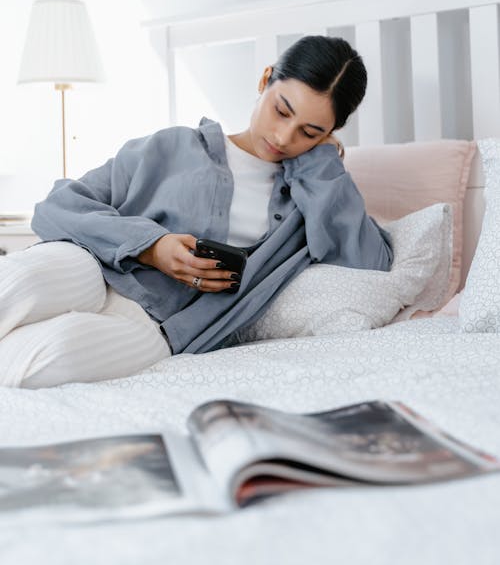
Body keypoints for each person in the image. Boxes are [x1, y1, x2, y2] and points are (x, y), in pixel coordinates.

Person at [0, 35, 393, 389]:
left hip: (158, 325)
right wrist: (151, 246)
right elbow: (58, 206)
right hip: (93, 266)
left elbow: (366, 264)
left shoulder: (306, 207)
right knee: (19, 281)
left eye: (310, 132)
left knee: (46, 360)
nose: (283, 137)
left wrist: (320, 160)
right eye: (281, 110)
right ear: (265, 81)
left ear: (329, 134)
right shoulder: (174, 146)